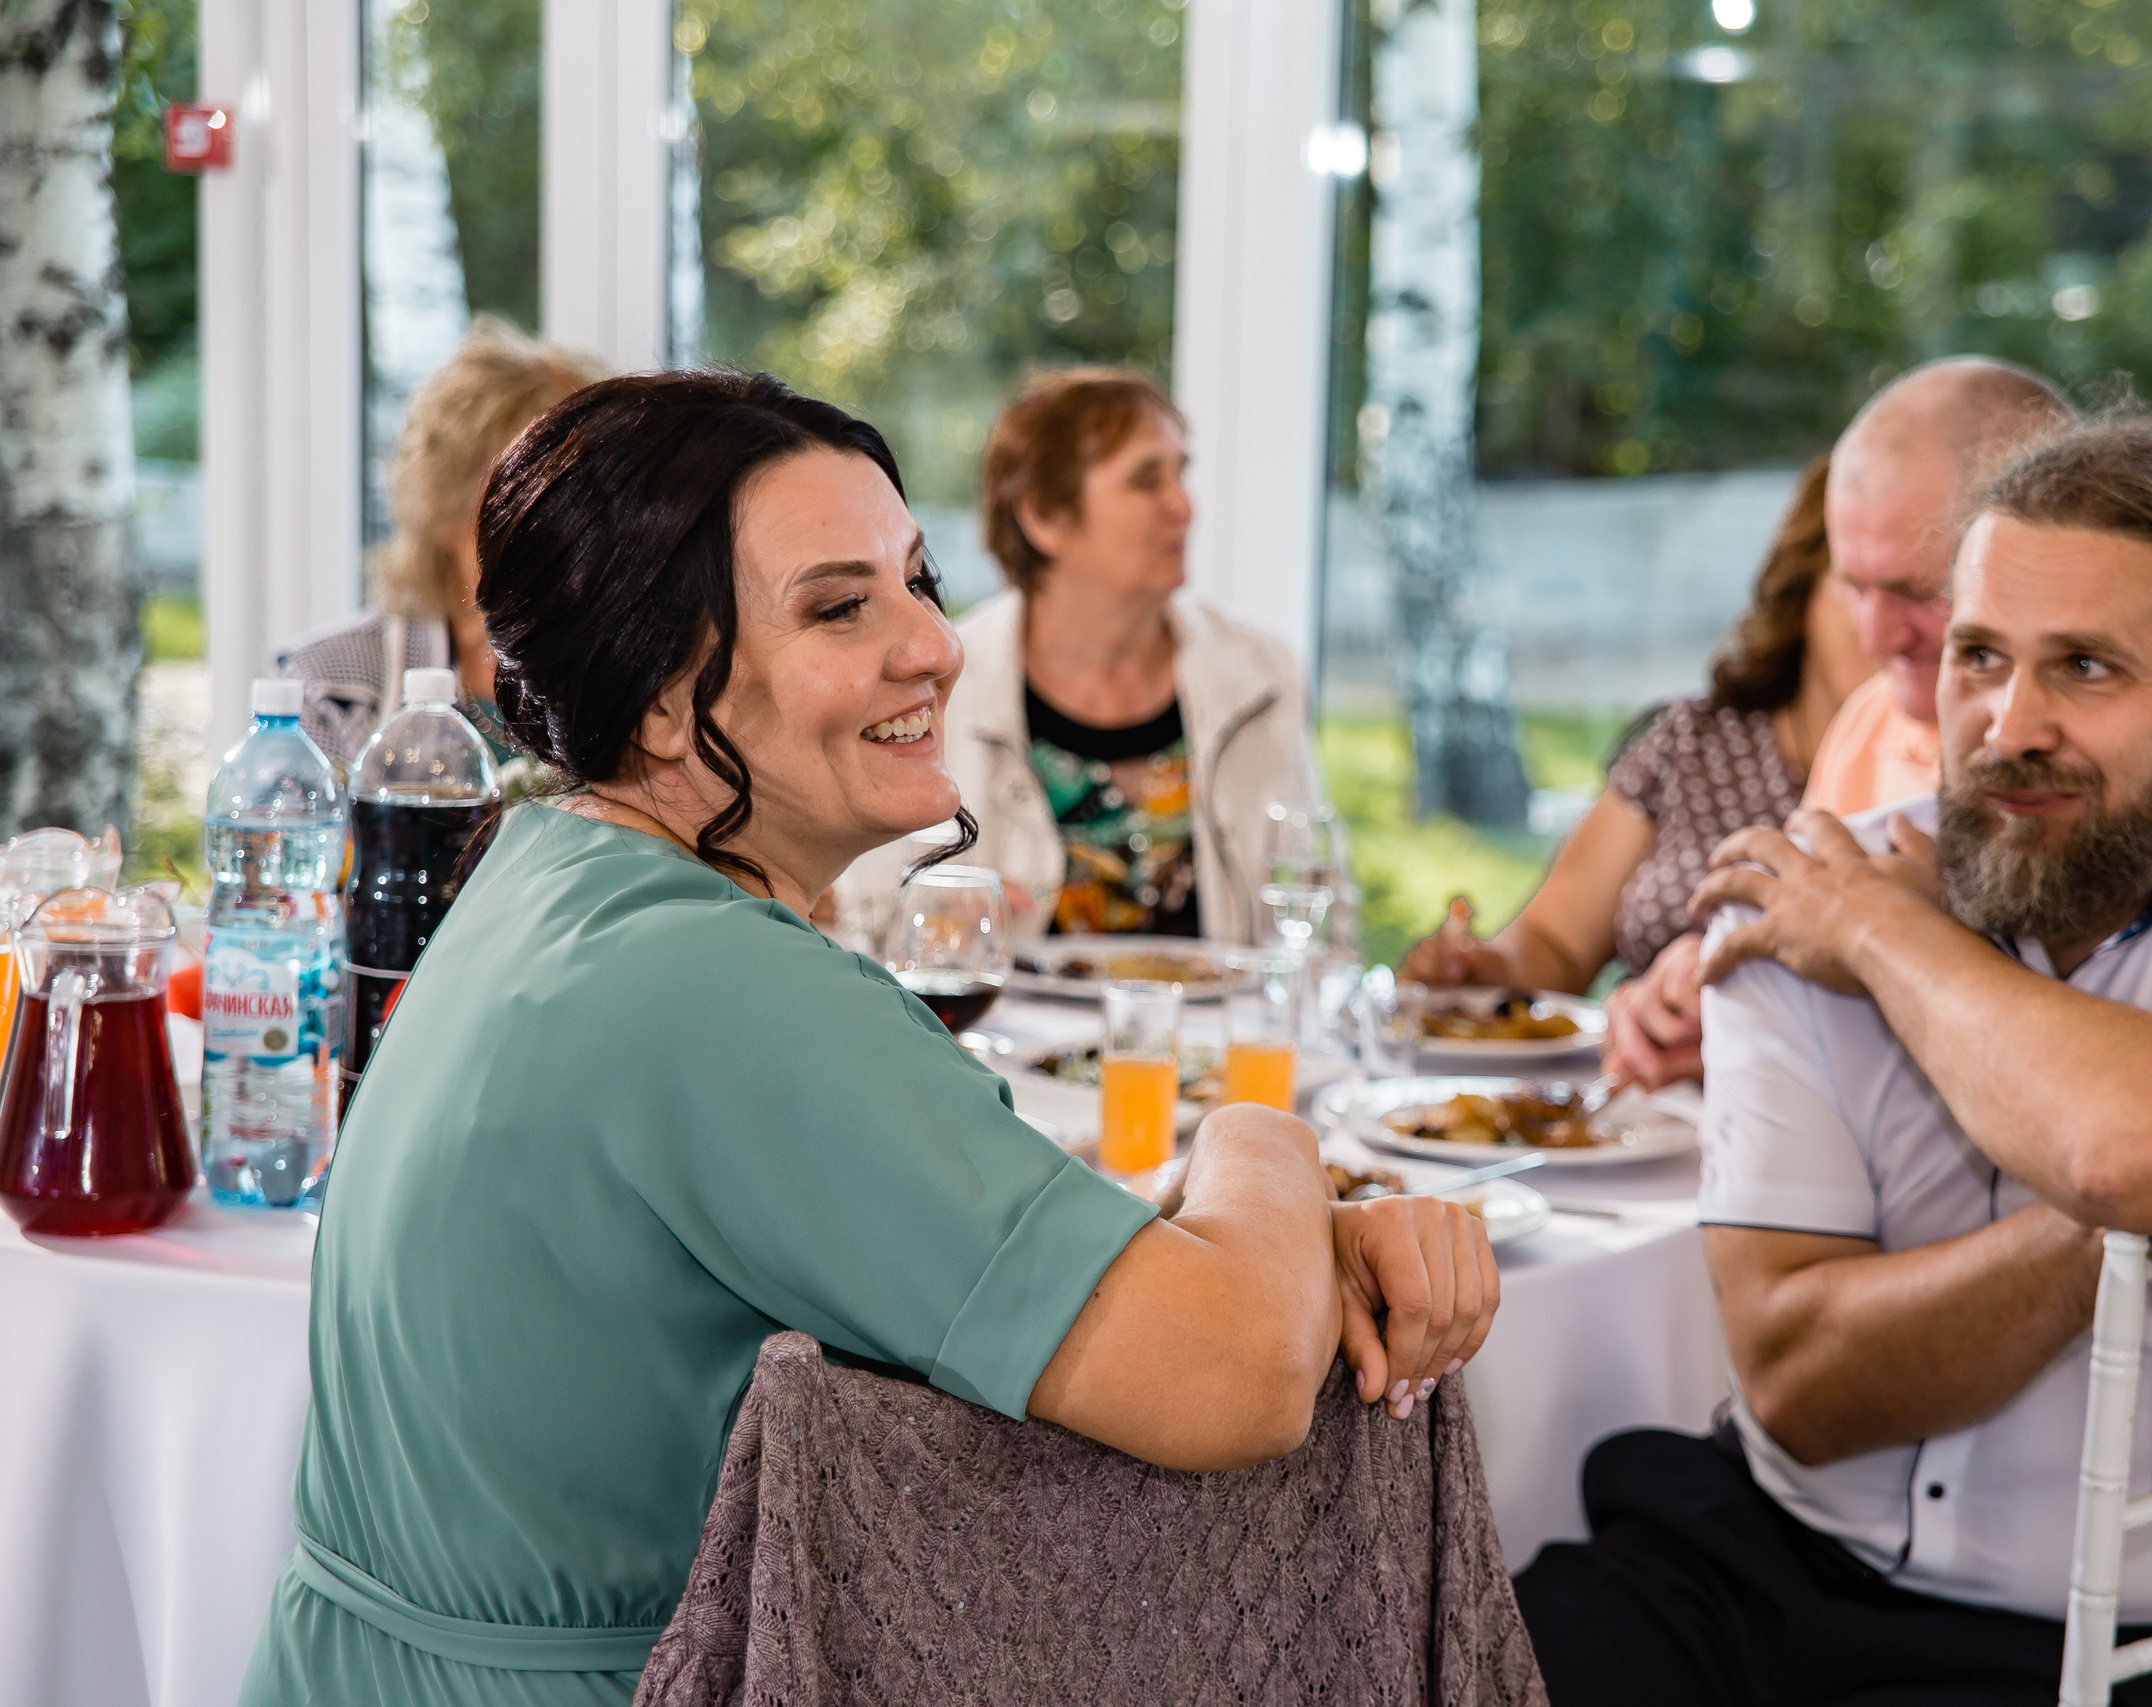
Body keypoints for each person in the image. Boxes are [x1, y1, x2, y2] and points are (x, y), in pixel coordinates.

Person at [236, 371, 1498, 1707]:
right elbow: (1238, 1373)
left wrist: (1249, 1242)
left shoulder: (546, 875)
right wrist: (1265, 1137)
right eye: (841, 606)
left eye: (918, 582)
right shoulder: (719, 986)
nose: (935, 645)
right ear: (658, 695)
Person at [1510, 417, 2152, 1705]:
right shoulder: (1803, 891)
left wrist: (1888, 940)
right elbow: (1796, 1382)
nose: (2009, 725)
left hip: (2117, 1640)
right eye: (1978, 657)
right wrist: (2150, 1218)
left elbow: (2126, 1151)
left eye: (2084, 667)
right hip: (1762, 1556)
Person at [1604, 357, 2152, 1088]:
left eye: (1917, 590)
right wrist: (1728, 981)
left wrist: (1894, 938)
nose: (1876, 637)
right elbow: (1819, 932)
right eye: (1854, 586)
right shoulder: (1876, 709)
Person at [1396, 455, 1872, 1019]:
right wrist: (1483, 969)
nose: (1897, 625)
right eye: (1863, 585)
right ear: (1803, 586)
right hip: (1640, 1072)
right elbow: (1557, 941)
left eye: (1932, 593)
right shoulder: (1693, 742)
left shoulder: (1948, 790)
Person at [944, 367, 1325, 944]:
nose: (1184, 506)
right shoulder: (942, 686)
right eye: (1147, 481)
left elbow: (1321, 920)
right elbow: (874, 917)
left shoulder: (1261, 677)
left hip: (1231, 1011)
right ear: (1044, 515)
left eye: (1181, 474)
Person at [277, 316, 610, 766]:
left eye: (595, 500)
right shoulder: (329, 685)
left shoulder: (640, 669)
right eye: (534, 500)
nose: (576, 527)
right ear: (446, 507)